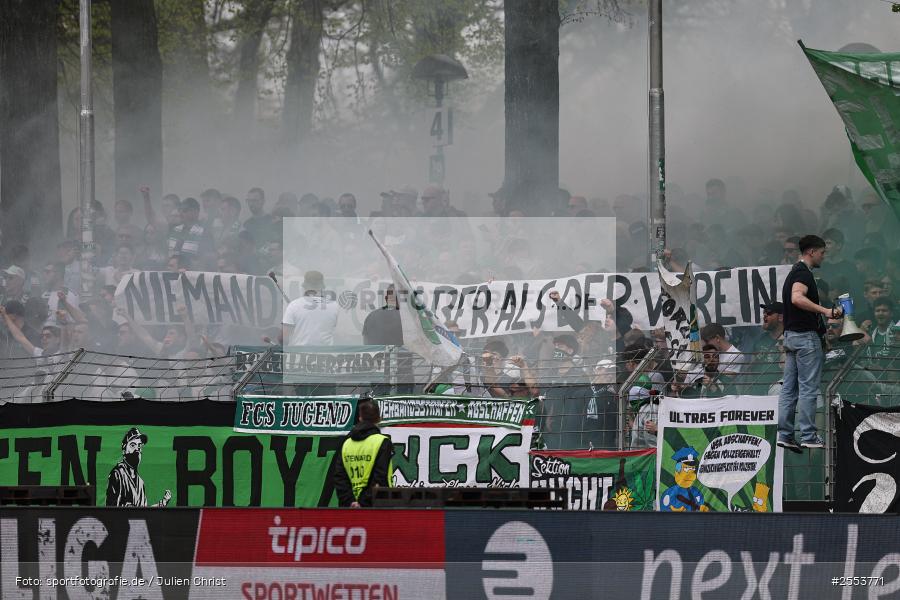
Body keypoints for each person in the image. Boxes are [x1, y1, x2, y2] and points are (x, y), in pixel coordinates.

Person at [778, 234, 842, 452]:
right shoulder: (803, 273)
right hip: (805, 338)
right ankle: (808, 434)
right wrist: (825, 311)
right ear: (811, 252)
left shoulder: (795, 272)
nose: (823, 257)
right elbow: (797, 298)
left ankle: (785, 434)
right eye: (822, 252)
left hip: (792, 337)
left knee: (789, 389)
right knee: (808, 388)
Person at [333, 399, 392, 507]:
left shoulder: (346, 443)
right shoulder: (383, 442)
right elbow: (380, 478)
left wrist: (351, 502)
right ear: (379, 418)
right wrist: (362, 503)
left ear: (360, 418)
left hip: (349, 508)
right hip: (377, 506)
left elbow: (339, 477)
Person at [105, 428, 171, 507]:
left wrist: (162, 503)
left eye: (139, 446)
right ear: (124, 450)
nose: (137, 449)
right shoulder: (117, 474)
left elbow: (143, 512)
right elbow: (111, 511)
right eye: (133, 445)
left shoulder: (140, 482)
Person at [282, 270, 339, 346]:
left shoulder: (294, 305)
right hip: (326, 355)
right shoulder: (334, 305)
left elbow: (284, 337)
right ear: (322, 287)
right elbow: (339, 333)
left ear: (305, 286)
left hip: (299, 355)